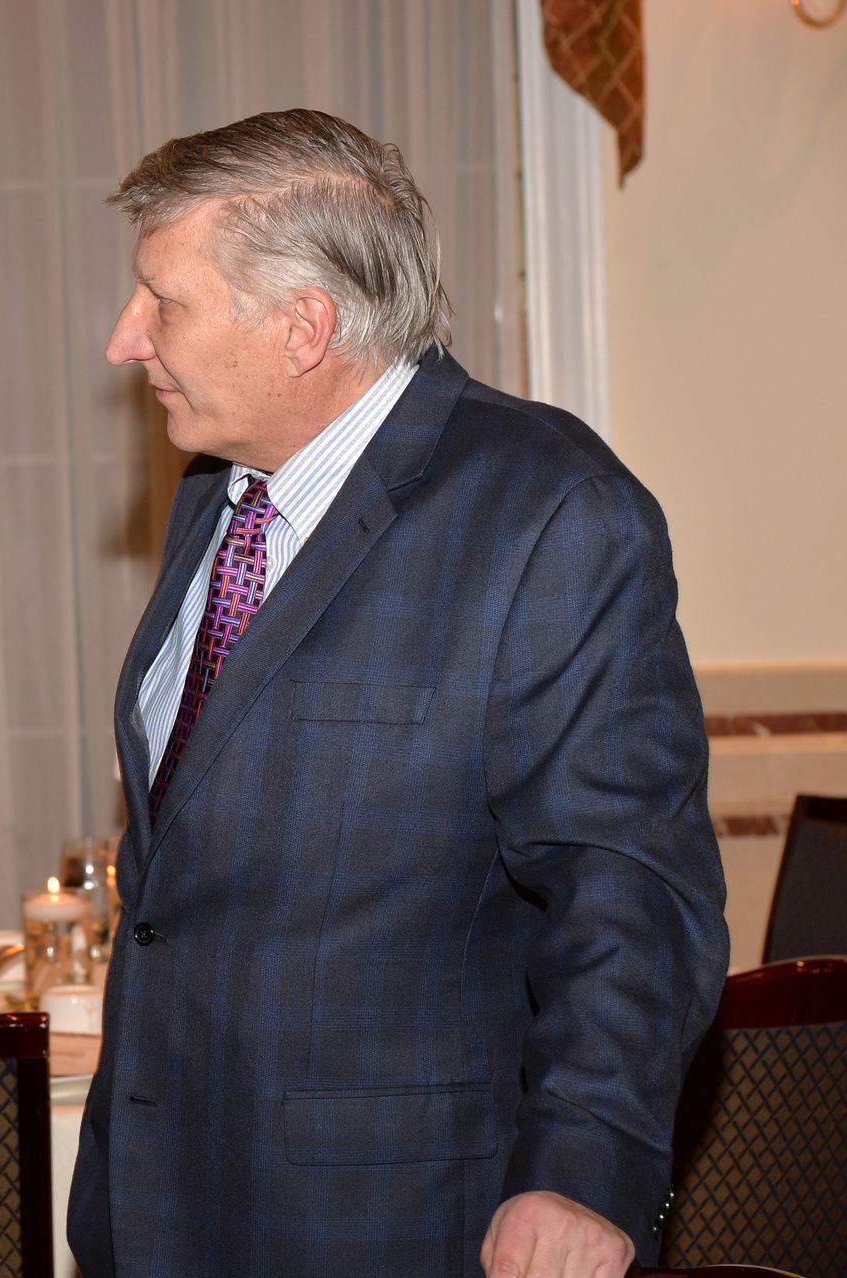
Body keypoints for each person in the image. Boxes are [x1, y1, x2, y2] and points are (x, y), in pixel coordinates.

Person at [68, 110, 727, 1277]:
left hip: (384, 1221)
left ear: (303, 327)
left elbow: (629, 885)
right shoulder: (218, 490)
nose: (126, 340)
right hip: (160, 1203)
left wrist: (582, 1171)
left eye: (162, 302)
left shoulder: (550, 511)